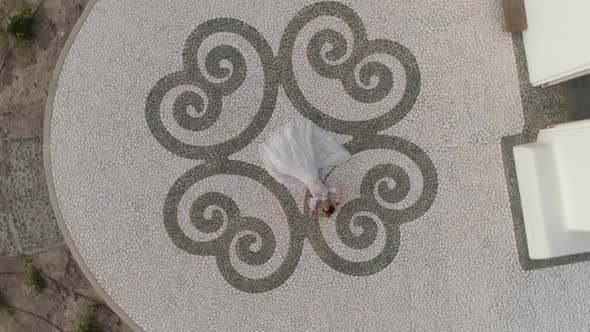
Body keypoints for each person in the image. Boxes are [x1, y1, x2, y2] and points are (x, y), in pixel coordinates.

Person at [259, 118, 351, 219]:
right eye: (327, 207)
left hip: (305, 178)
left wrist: (324, 215)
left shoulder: (316, 198)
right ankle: (290, 139)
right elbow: (338, 190)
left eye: (323, 208)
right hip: (312, 172)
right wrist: (337, 201)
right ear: (330, 205)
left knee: (286, 164)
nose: (324, 206)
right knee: (302, 156)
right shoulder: (327, 191)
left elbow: (312, 215)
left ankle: (280, 151)